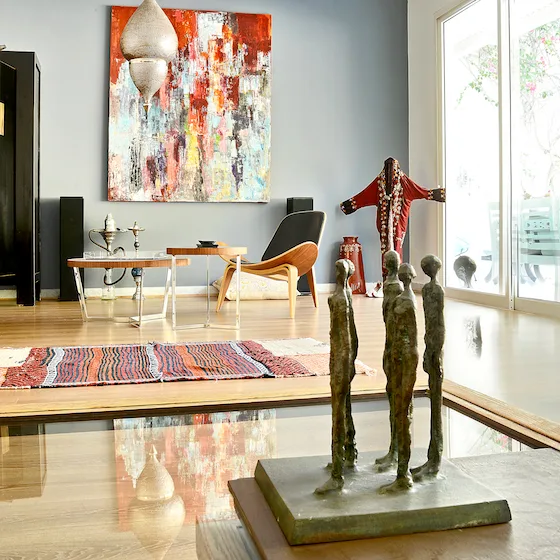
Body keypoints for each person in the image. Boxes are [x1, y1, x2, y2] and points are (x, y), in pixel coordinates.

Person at [315, 259, 358, 494]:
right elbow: (353, 334)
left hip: (341, 357)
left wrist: (346, 362)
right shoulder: (346, 294)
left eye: (338, 270)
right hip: (342, 356)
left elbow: (348, 335)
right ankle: (349, 452)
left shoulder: (341, 298)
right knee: (344, 407)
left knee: (339, 409)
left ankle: (337, 473)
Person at [379, 263, 418, 493]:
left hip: (405, 356)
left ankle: (403, 472)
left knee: (403, 409)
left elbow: (409, 334)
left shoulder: (406, 300)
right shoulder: (400, 296)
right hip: (396, 352)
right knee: (397, 403)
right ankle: (396, 458)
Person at [412, 255, 445, 481]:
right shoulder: (426, 290)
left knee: (436, 403)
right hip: (430, 346)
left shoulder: (436, 291)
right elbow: (428, 324)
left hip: (435, 348)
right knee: (433, 400)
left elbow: (439, 324)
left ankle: (435, 460)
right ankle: (431, 458)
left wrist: (436, 352)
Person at [374, 250, 403, 471]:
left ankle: (397, 452)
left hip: (395, 344)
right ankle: (394, 450)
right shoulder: (391, 285)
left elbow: (393, 317)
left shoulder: (394, 287)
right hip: (390, 342)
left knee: (395, 392)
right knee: (391, 390)